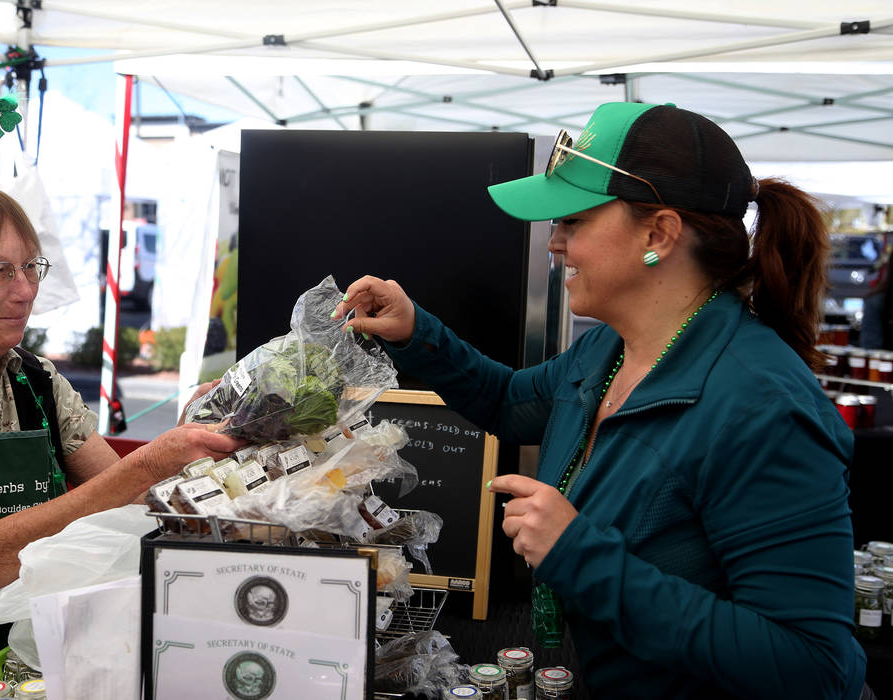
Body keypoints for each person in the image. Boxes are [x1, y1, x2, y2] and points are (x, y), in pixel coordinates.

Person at [334, 102, 868, 698]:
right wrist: (416, 333)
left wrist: (578, 554)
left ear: (658, 234)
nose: (554, 245)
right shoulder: (609, 350)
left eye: (573, 221)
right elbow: (509, 401)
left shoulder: (764, 408)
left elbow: (814, 668)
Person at [0, 180, 240, 696]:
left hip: (19, 669)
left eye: (31, 266)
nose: (26, 289)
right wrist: (149, 462)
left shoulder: (36, 381)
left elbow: (138, 499)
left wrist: (189, 440)